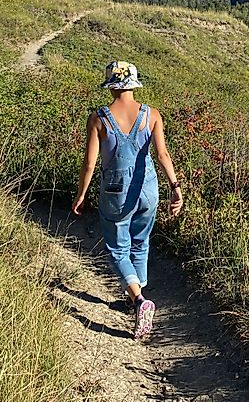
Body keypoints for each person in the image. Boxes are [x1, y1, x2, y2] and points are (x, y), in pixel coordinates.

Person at [72, 60, 183, 338]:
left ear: (111, 86)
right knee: (140, 241)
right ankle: (137, 294)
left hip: (115, 189)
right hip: (148, 187)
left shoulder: (99, 118)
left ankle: (138, 300)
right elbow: (163, 156)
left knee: (117, 247)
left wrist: (81, 194)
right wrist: (175, 187)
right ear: (134, 84)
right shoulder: (152, 114)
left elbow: (89, 163)